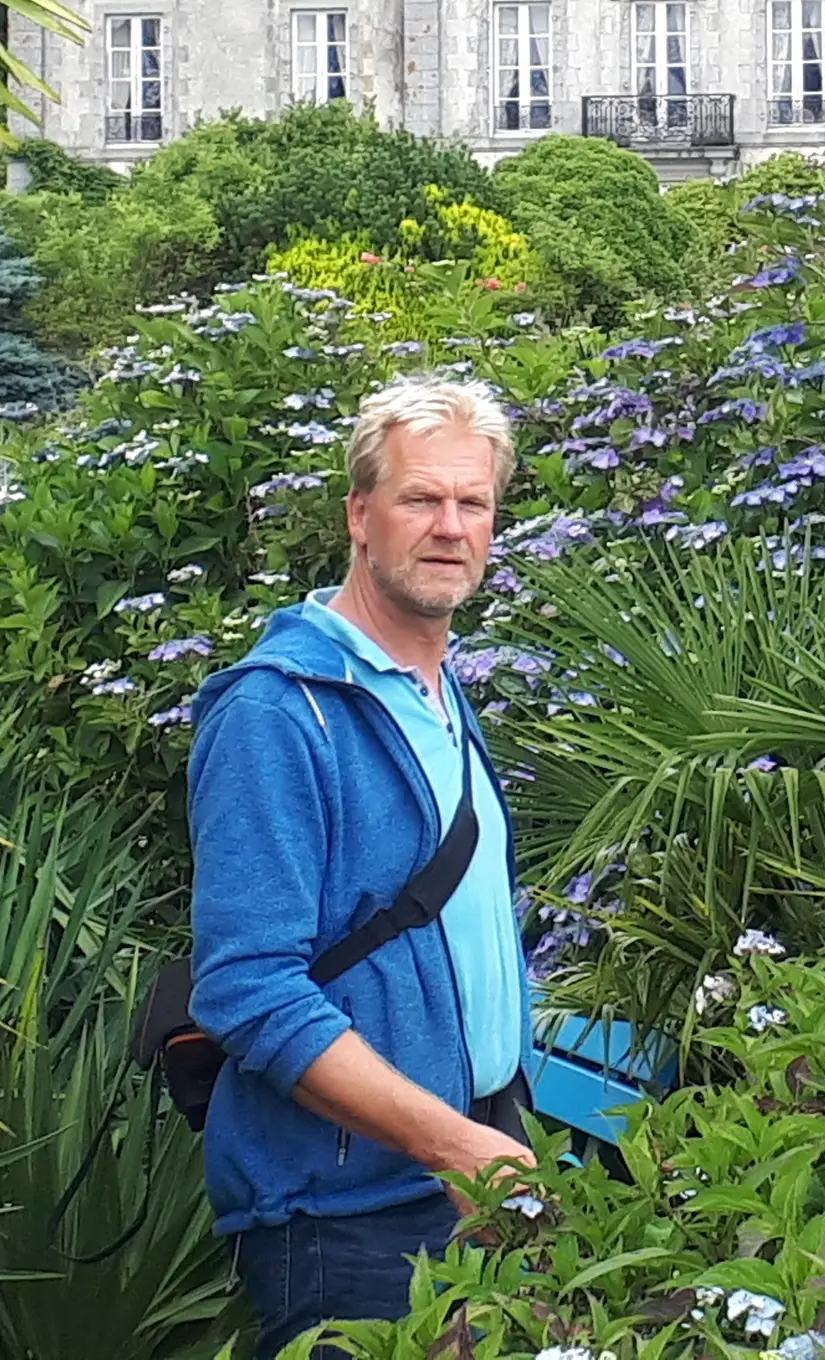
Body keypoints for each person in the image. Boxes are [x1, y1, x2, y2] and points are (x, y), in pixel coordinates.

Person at [189, 377, 536, 1359]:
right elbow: (249, 990)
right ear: (358, 513)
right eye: (420, 499)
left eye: (473, 503)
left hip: (470, 1172)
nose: (449, 526)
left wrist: (494, 1128)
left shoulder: (435, 691)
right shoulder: (278, 712)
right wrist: (449, 1142)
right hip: (349, 1218)